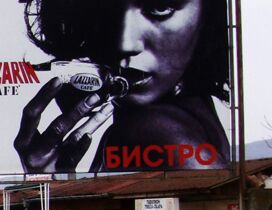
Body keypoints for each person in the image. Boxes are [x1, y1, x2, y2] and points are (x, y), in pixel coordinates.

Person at [14, 0, 231, 173]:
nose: (124, 43)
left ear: (209, 13)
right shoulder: (195, 112)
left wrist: (49, 193)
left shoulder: (146, 130)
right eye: (105, 9)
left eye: (160, 6)